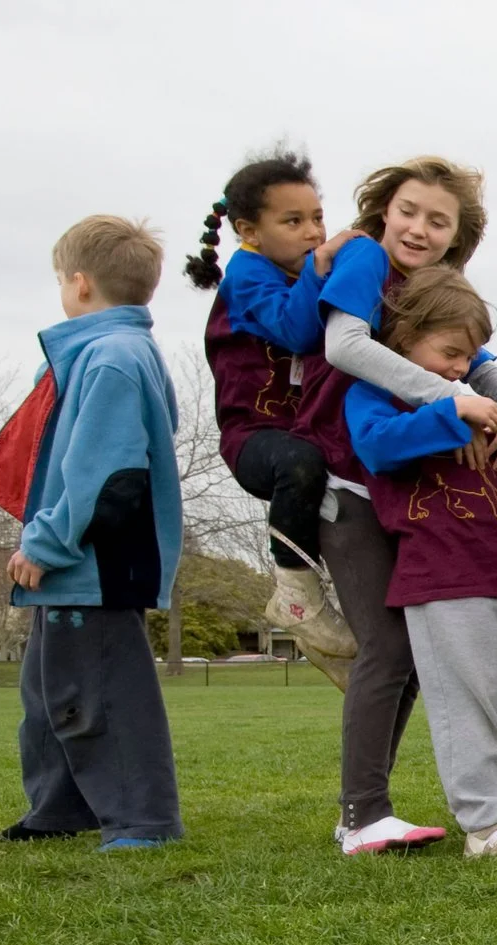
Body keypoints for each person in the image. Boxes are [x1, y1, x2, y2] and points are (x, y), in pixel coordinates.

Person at [312, 156, 497, 855]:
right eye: (408, 211)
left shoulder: (437, 296)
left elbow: (482, 362)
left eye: (438, 221)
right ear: (383, 210)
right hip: (350, 483)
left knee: (416, 654)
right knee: (387, 648)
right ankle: (363, 813)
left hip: (400, 488)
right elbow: (344, 345)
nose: (418, 228)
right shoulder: (366, 260)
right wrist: (455, 402)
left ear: (458, 237)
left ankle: (487, 802)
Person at [0, 215, 185, 852]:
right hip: (81, 562)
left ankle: (144, 820)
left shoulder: (112, 357)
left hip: (97, 562)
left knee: (100, 692)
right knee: (49, 692)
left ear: (80, 283)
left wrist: (46, 542)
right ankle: (58, 810)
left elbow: (109, 473)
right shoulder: (112, 352)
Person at [345, 267, 497, 857]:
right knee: (466, 699)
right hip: (439, 574)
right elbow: (377, 446)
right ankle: (487, 822)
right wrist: (454, 412)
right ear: (404, 339)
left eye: (469, 358)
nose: (461, 368)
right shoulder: (373, 395)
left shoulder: (475, 396)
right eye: (450, 353)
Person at [181, 147, 360, 668]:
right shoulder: (248, 275)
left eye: (318, 218)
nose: (313, 232)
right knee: (300, 464)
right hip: (255, 438)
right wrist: (323, 268)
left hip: (305, 430)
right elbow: (296, 329)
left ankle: (345, 632)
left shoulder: (298, 272)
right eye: (293, 221)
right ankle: (296, 593)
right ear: (249, 231)